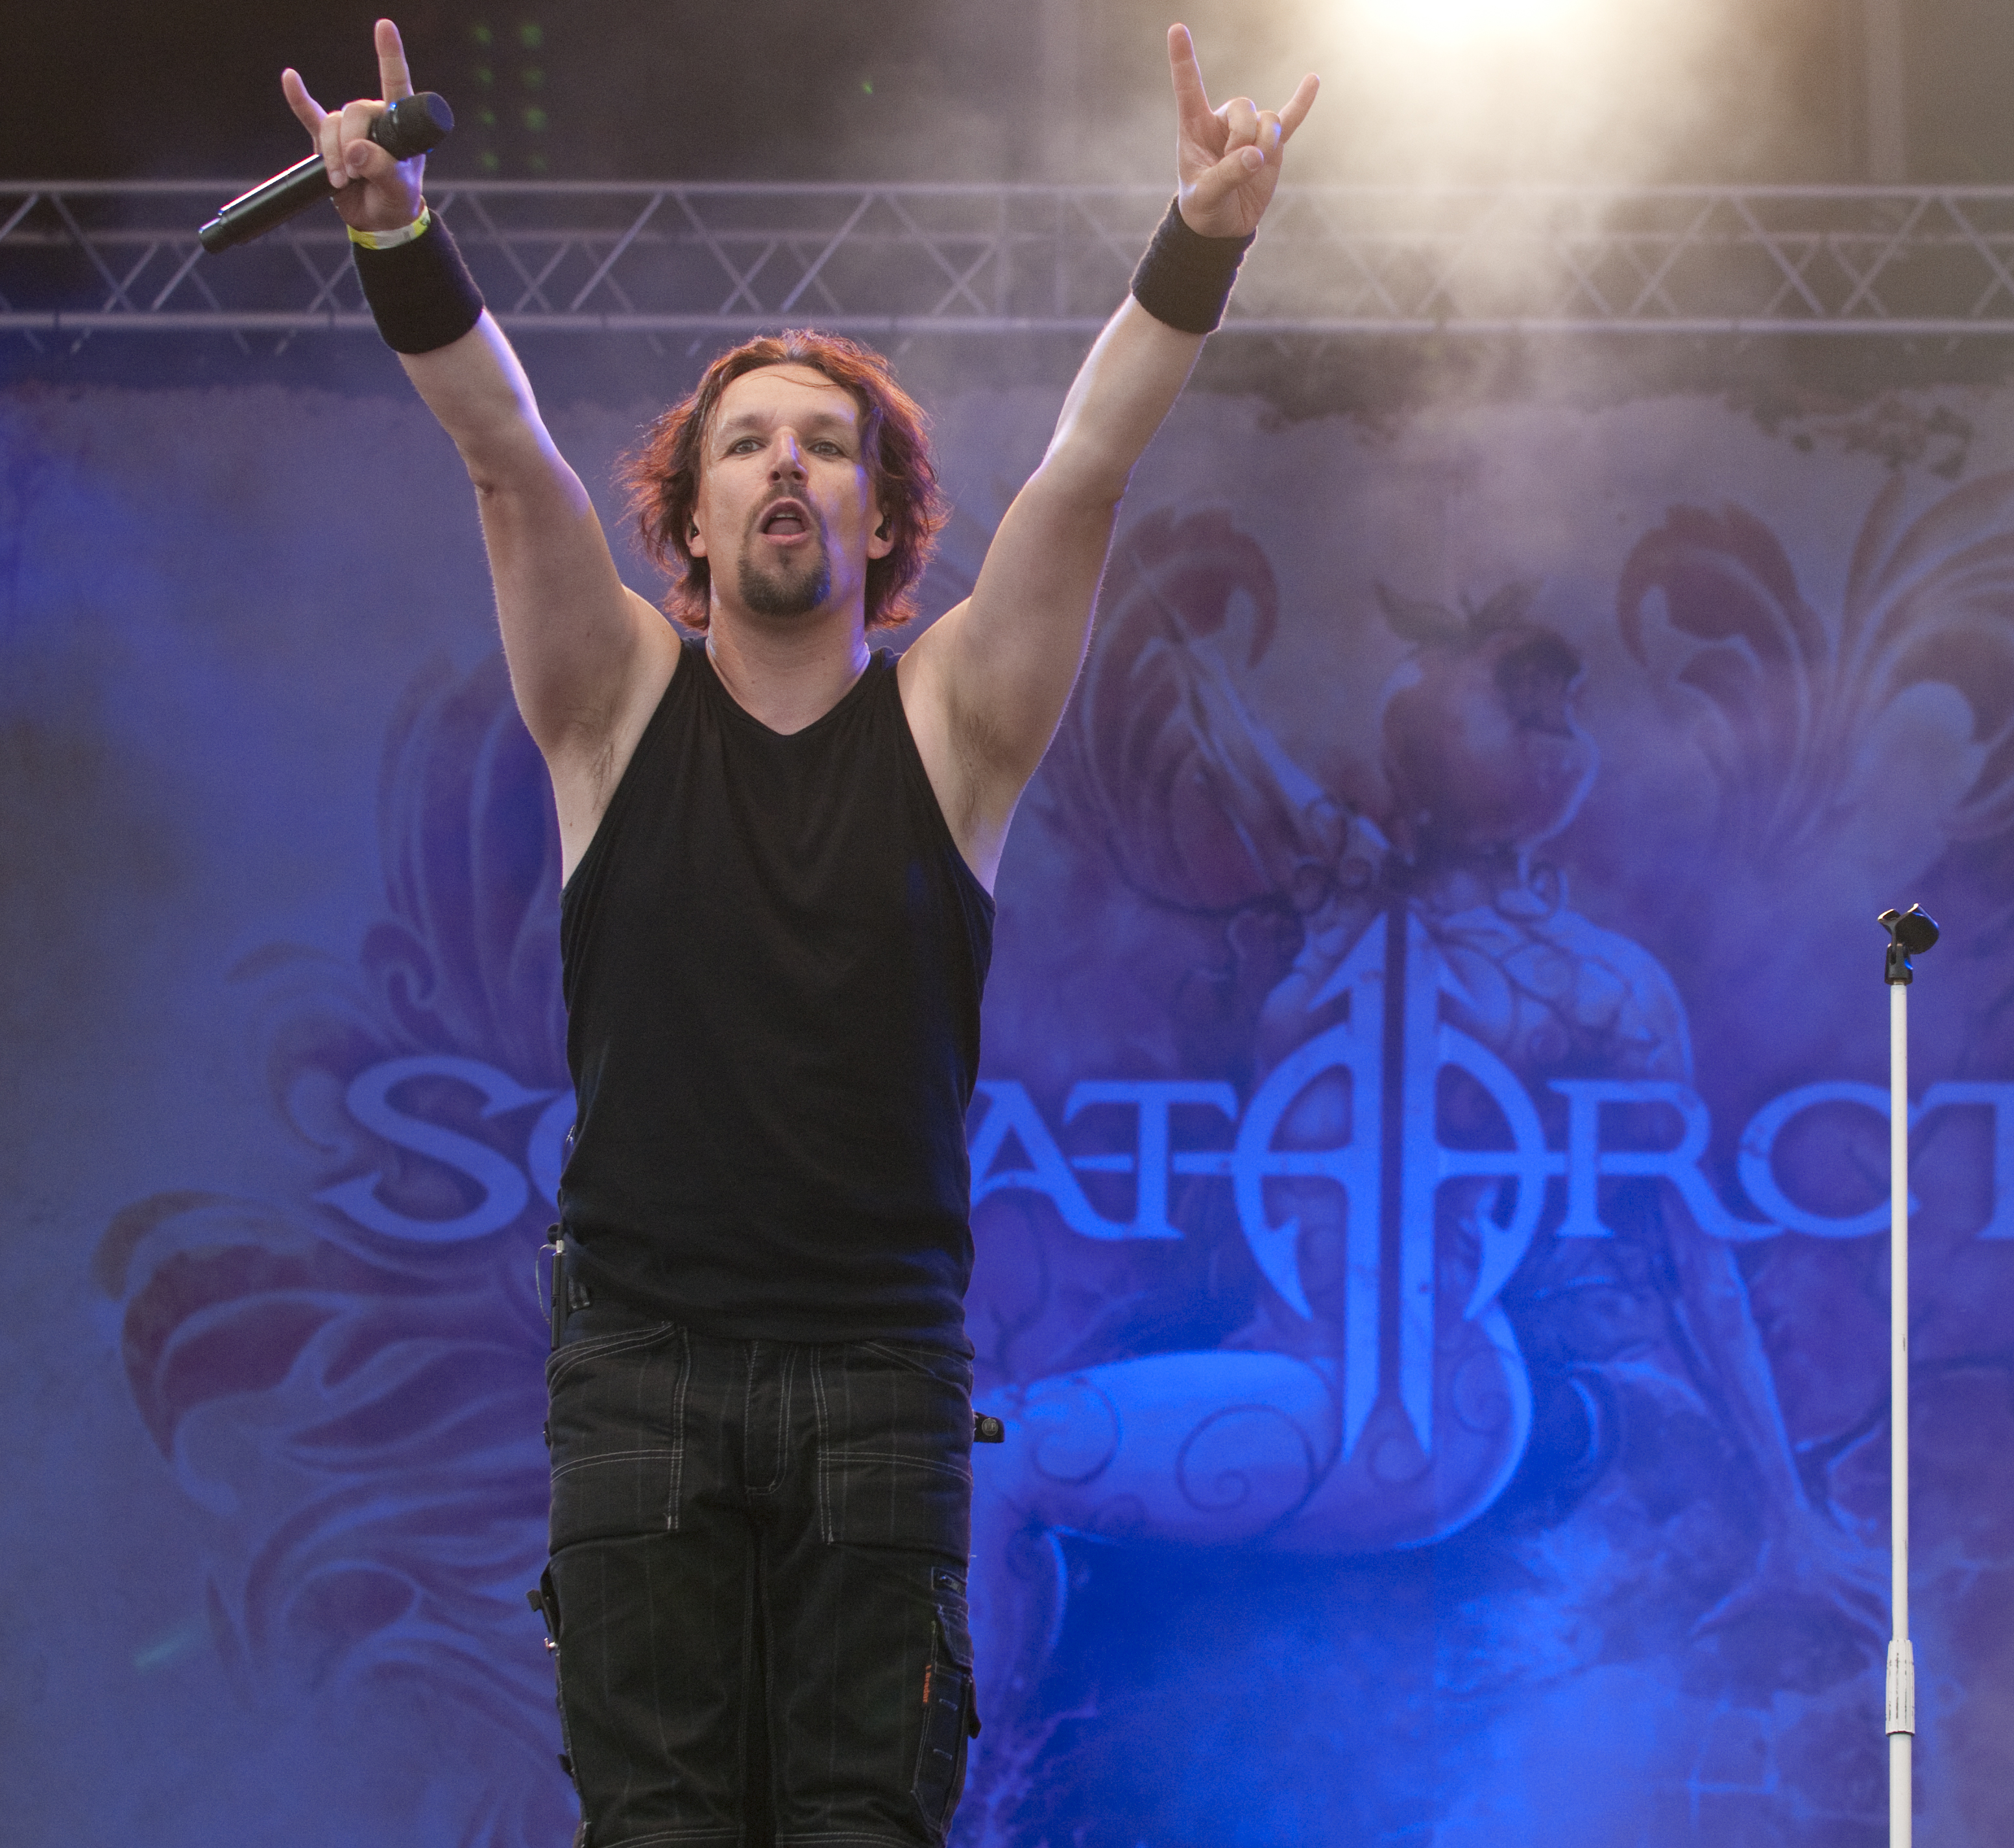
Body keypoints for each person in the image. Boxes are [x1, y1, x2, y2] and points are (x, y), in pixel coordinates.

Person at [279, 18, 1316, 1845]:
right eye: (743, 442)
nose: (781, 468)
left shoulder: (956, 720)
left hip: (874, 1372)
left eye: (824, 447)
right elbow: (508, 459)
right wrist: (394, 232)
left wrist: (1200, 239)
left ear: (881, 509)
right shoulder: (610, 699)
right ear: (686, 509)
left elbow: (1082, 473)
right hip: (643, 1371)